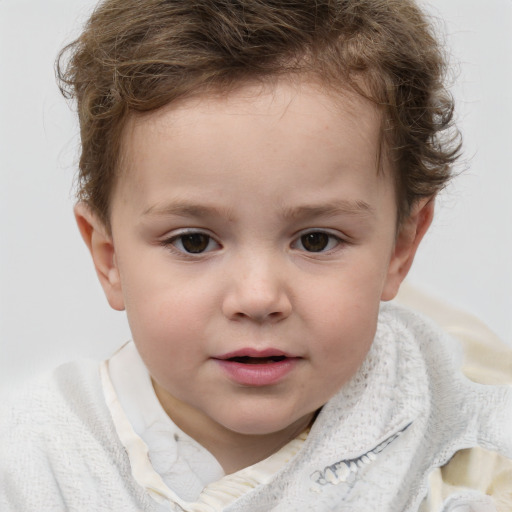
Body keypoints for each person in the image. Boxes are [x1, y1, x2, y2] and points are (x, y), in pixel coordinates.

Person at [1, 0, 511, 510]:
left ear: (401, 247)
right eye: (194, 242)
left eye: (316, 240)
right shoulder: (33, 464)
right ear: (108, 257)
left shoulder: (470, 443)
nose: (258, 297)